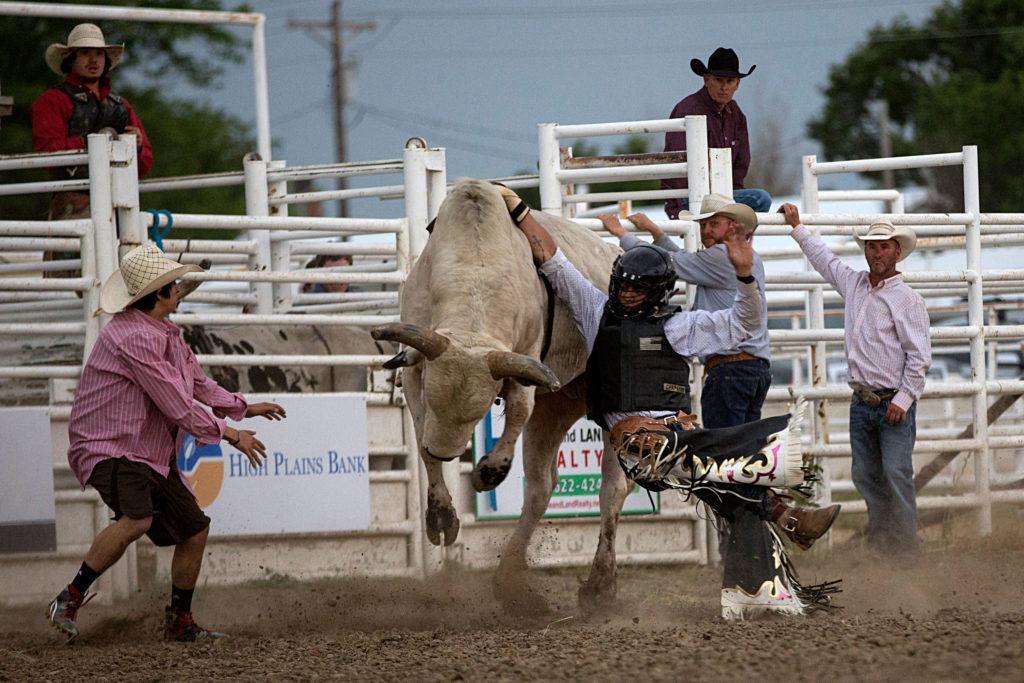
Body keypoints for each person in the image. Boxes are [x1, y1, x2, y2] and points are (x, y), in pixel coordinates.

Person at [496, 185, 840, 619]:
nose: (626, 295)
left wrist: (747, 279)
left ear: (655, 293)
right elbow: (554, 260)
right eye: (624, 287)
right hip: (638, 443)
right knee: (730, 460)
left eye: (637, 290)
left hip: (676, 437)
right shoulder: (594, 308)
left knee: (732, 487)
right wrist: (521, 210)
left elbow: (742, 323)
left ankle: (766, 575)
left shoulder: (680, 327)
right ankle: (784, 513)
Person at [46, 245, 286, 642]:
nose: (177, 288)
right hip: (109, 445)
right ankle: (68, 598)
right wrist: (231, 433)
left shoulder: (161, 333)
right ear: (160, 295)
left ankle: (180, 622)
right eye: (172, 284)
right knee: (138, 518)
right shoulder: (136, 338)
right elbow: (177, 405)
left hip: (144, 452)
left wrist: (242, 407)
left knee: (194, 530)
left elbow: (195, 383)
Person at [781, 203, 931, 561]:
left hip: (892, 401)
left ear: (897, 252)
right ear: (866, 250)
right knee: (866, 476)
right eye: (871, 246)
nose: (877, 252)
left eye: (883, 246)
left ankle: (906, 551)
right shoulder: (855, 284)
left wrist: (904, 399)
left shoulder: (907, 300)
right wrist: (798, 228)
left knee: (894, 474)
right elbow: (826, 260)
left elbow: (919, 355)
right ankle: (883, 547)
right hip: (863, 401)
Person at [599, 194, 771, 428]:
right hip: (752, 368)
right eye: (703, 225)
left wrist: (622, 234)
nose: (706, 230)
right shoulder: (741, 258)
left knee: (722, 448)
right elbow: (683, 260)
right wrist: (657, 234)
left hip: (730, 369)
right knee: (742, 447)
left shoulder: (720, 256)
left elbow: (669, 263)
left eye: (713, 224)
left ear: (731, 226)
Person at [32, 23, 153, 223]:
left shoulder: (121, 104)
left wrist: (137, 146)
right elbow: (46, 153)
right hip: (73, 199)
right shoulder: (53, 100)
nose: (93, 59)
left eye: (98, 53)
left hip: (119, 201)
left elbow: (144, 164)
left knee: (127, 246)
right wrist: (91, 143)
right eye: (85, 53)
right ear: (70, 59)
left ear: (105, 60)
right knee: (77, 252)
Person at [662, 47, 771, 219]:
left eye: (729, 81)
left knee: (759, 200)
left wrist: (732, 194)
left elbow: (740, 164)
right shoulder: (688, 109)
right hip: (688, 196)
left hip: (721, 195)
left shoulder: (736, 114)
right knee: (760, 199)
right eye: (719, 80)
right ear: (707, 80)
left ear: (737, 84)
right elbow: (675, 161)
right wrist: (675, 208)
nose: (724, 87)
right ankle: (732, 240)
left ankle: (731, 241)